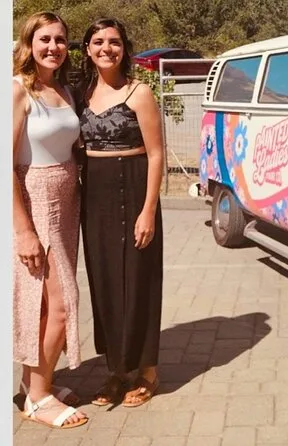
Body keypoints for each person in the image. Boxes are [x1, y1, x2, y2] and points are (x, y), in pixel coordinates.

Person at [78, 17, 164, 407]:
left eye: (114, 41)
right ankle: (117, 370)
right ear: (87, 49)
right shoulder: (80, 93)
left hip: (133, 186)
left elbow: (156, 154)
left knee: (138, 278)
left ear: (124, 48)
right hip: (94, 194)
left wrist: (148, 210)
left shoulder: (139, 92)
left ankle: (148, 371)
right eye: (98, 42)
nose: (106, 48)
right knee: (105, 281)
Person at [12, 11, 88, 428]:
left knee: (46, 304)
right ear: (29, 43)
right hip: (36, 202)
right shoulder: (18, 90)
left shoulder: (64, 89)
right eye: (45, 39)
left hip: (66, 202)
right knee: (61, 305)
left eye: (60, 39)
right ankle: (39, 400)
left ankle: (35, 383)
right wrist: (24, 230)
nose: (53, 47)